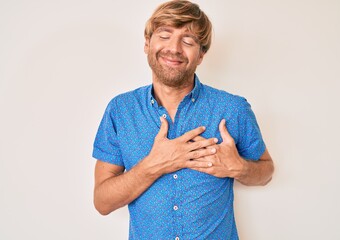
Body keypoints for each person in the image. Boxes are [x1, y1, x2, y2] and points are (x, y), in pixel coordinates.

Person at [92, 0, 274, 239]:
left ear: (201, 55)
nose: (174, 48)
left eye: (188, 41)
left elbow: (266, 171)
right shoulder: (120, 110)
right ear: (147, 43)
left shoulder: (232, 109)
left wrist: (239, 167)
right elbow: (102, 202)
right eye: (165, 35)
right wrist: (154, 165)